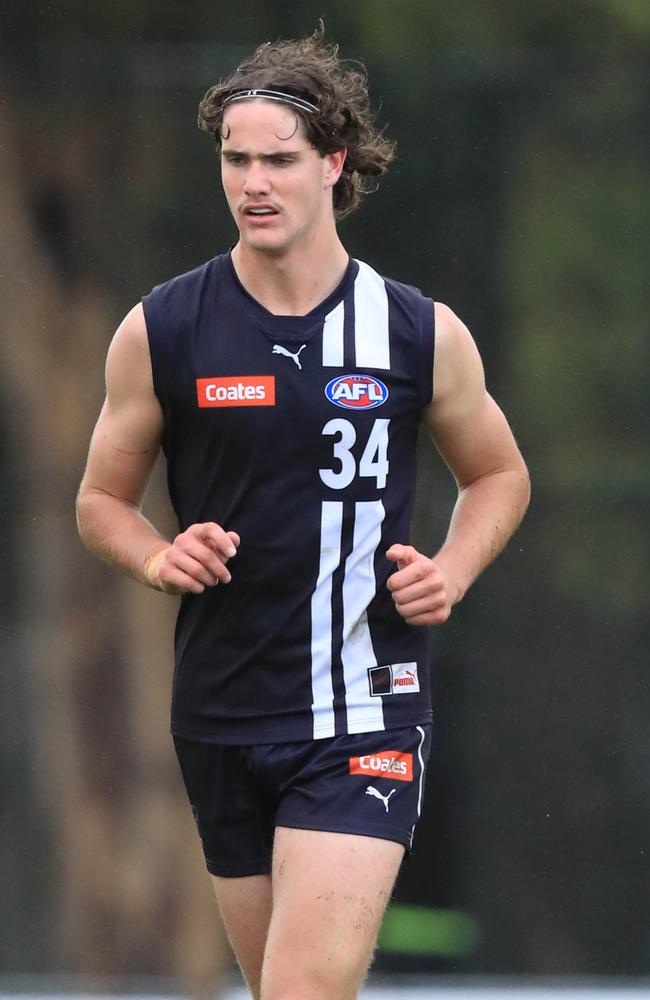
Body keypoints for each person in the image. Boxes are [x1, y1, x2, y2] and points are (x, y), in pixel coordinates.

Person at [76, 26, 530, 1000]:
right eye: (235, 160)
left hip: (364, 701)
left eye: (278, 160)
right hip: (221, 710)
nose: (253, 182)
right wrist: (159, 558)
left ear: (332, 163)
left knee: (299, 992)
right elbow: (100, 501)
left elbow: (498, 475)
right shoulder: (163, 329)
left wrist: (450, 568)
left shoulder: (415, 330)